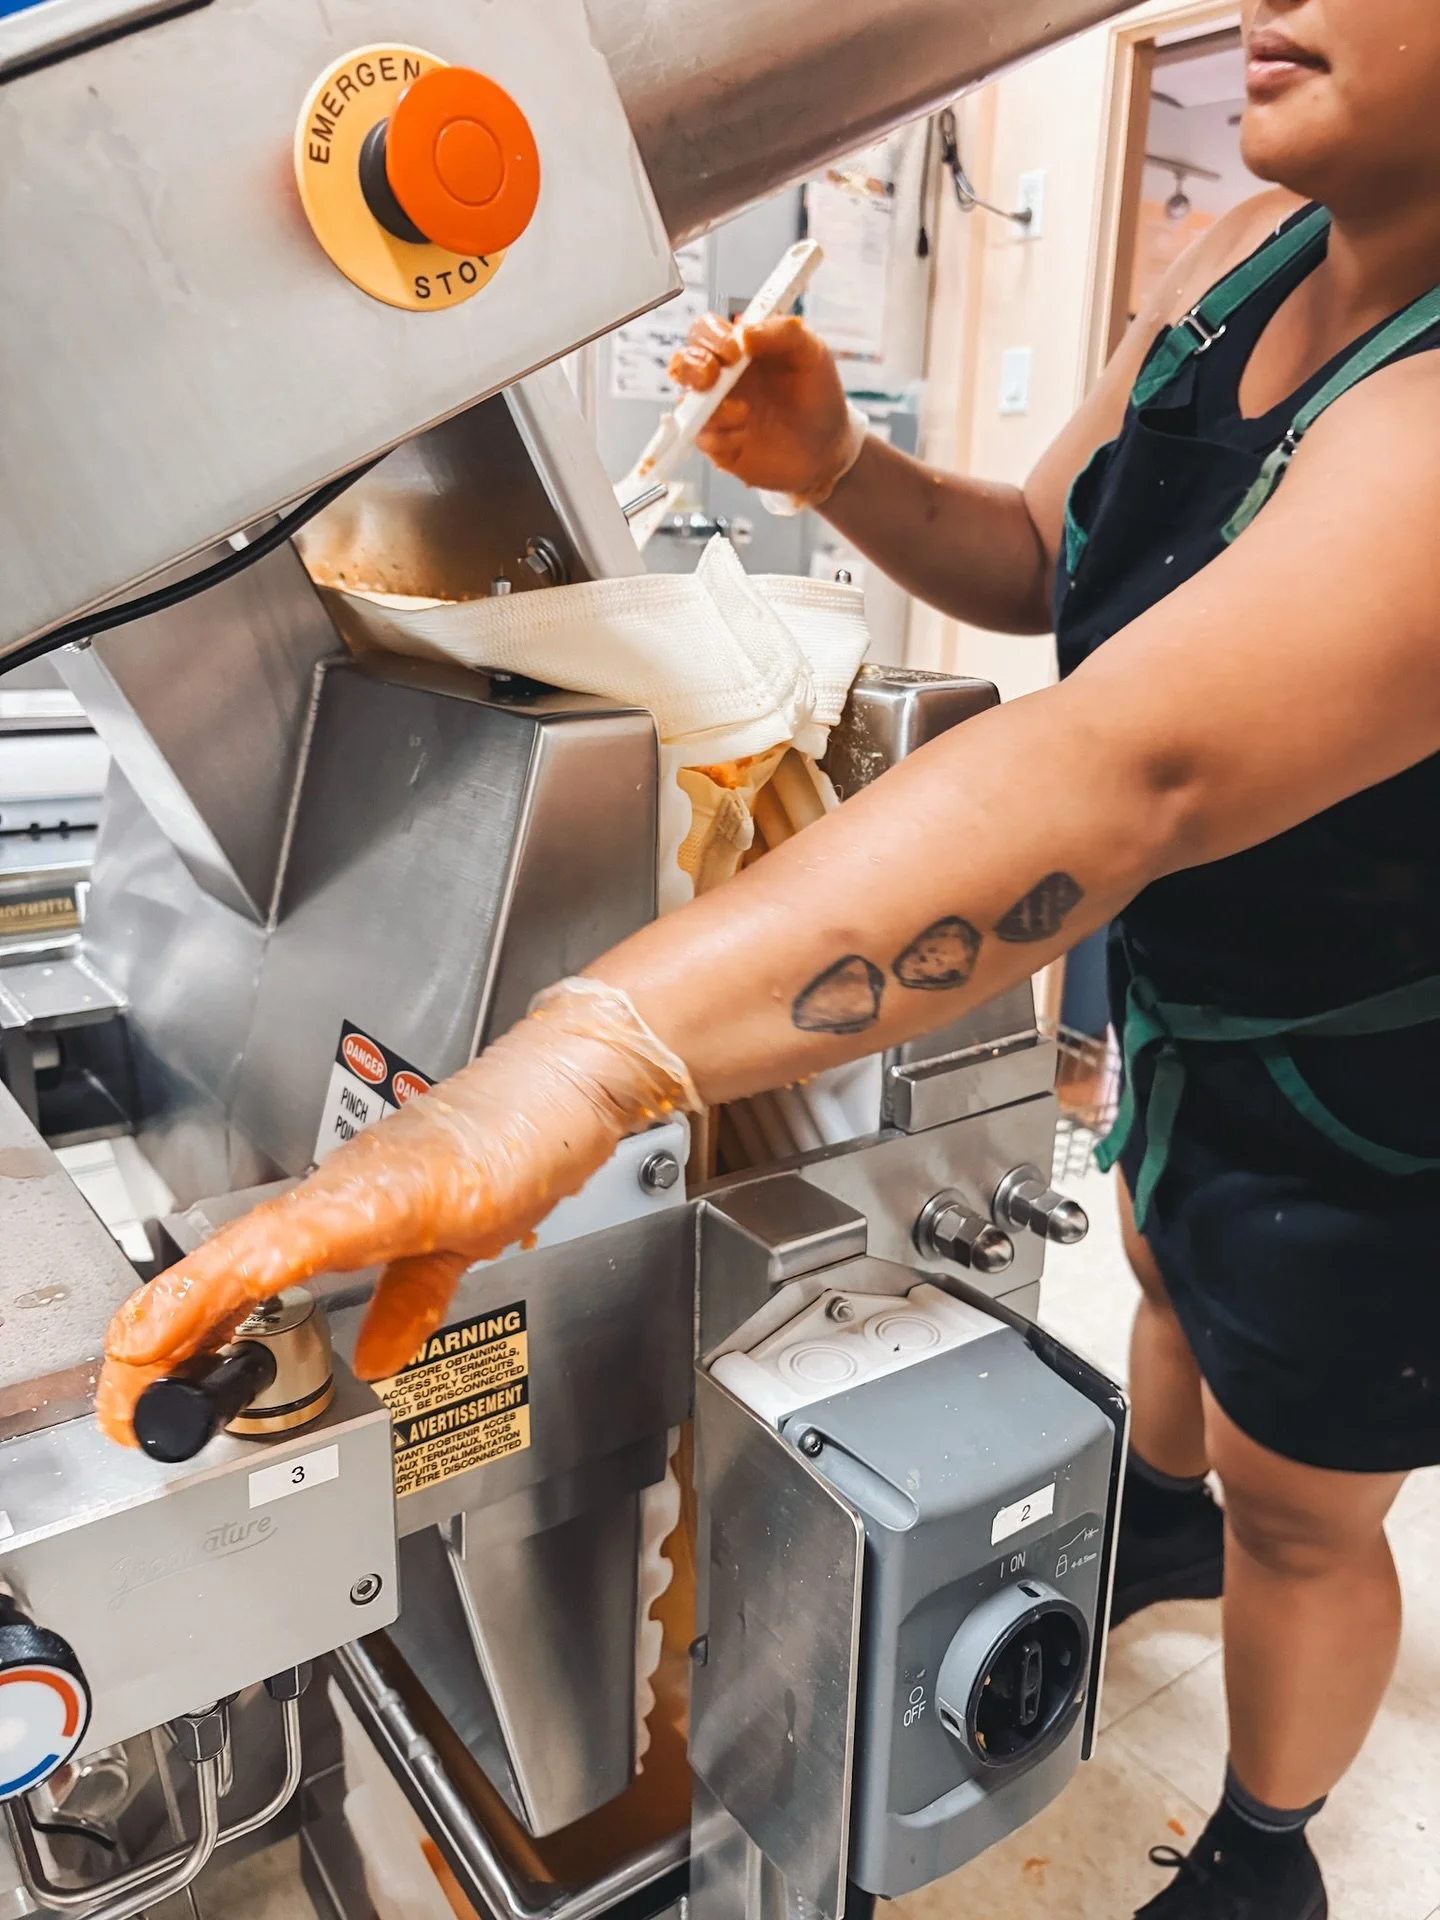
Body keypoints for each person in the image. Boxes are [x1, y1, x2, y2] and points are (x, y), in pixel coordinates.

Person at [99, 3, 1440, 1912]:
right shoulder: (1242, 259)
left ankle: (1270, 1844)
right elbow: (1035, 560)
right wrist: (833, 469)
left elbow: (1124, 762)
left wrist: (576, 1062)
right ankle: (1161, 1520)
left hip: (1384, 1099)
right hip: (1198, 997)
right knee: (1160, 1282)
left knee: (1312, 1487)